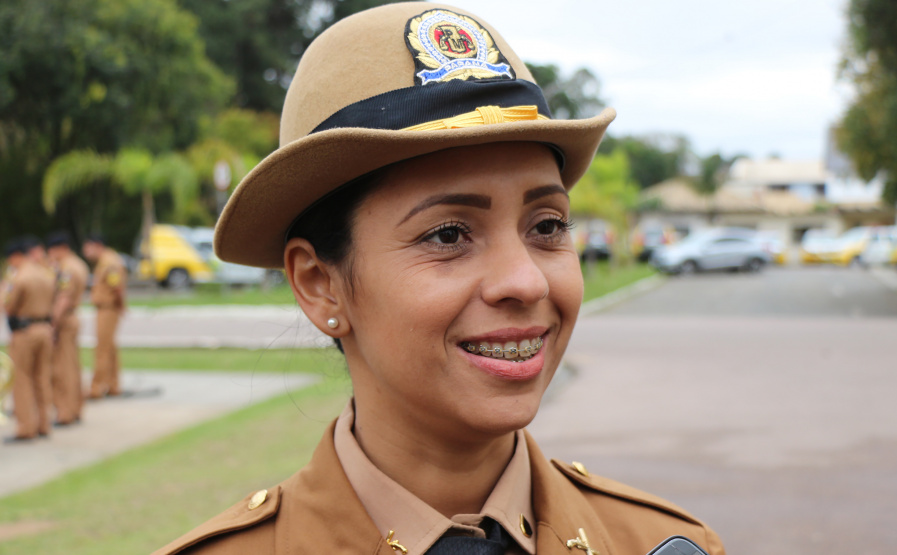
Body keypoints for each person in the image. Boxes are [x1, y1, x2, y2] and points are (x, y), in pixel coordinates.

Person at [155, 3, 726, 555]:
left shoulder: (661, 546)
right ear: (319, 283)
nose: (526, 283)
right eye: (449, 235)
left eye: (547, 225)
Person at [2, 236, 56, 442]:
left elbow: (8, 305)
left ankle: (26, 428)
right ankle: (44, 424)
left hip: (25, 332)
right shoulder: (45, 273)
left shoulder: (18, 277)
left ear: (15, 257)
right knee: (42, 377)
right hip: (44, 329)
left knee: (21, 379)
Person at [47, 231, 90, 425]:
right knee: (72, 366)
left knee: (62, 369)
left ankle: (65, 412)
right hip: (72, 317)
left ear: (61, 248)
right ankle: (76, 408)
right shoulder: (78, 263)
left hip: (64, 320)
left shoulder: (67, 268)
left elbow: (63, 298)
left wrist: (52, 323)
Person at [82, 234, 126, 398]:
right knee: (109, 347)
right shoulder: (107, 260)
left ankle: (96, 387)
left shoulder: (109, 262)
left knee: (102, 348)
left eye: (88, 247)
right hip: (107, 308)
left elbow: (117, 287)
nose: (85, 252)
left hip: (108, 308)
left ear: (97, 245)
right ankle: (114, 385)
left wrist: (120, 305)